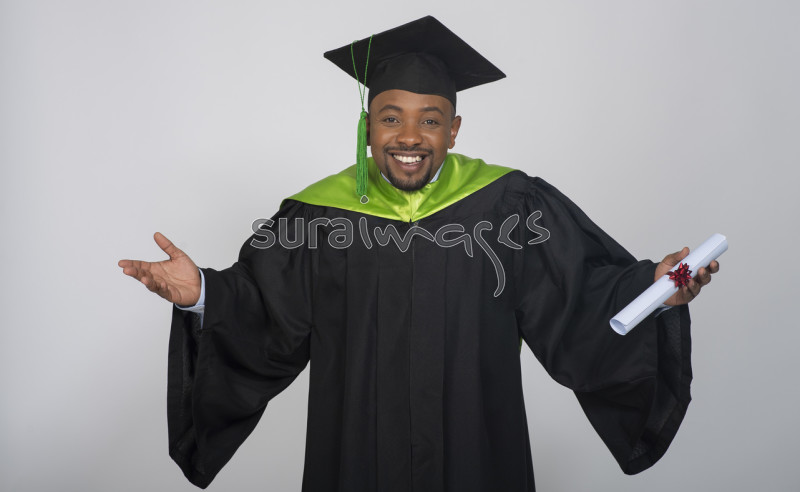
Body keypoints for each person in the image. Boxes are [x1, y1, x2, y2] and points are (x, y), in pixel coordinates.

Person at [119, 16, 718, 492]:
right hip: (355, 458)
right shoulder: (317, 219)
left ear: (453, 130)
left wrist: (655, 288)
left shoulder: (509, 206)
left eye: (430, 120)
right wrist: (205, 295)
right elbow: (263, 312)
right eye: (391, 118)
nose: (409, 137)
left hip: (478, 455)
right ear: (368, 127)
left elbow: (581, 293)